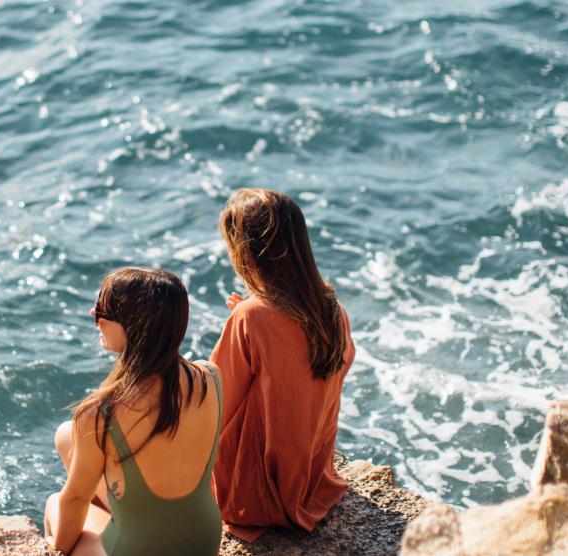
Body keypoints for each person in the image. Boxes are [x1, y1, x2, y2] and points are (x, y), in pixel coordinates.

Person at [44, 267, 223, 556]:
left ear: (133, 325)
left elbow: (75, 500)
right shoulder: (210, 376)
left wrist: (57, 549)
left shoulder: (100, 414)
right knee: (66, 437)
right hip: (204, 542)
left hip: (138, 551)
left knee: (55, 502)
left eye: (103, 308)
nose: (94, 314)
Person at [210, 188, 356, 542]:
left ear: (247, 252)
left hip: (253, 497)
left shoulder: (250, 318)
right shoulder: (332, 311)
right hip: (312, 483)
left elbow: (214, 406)